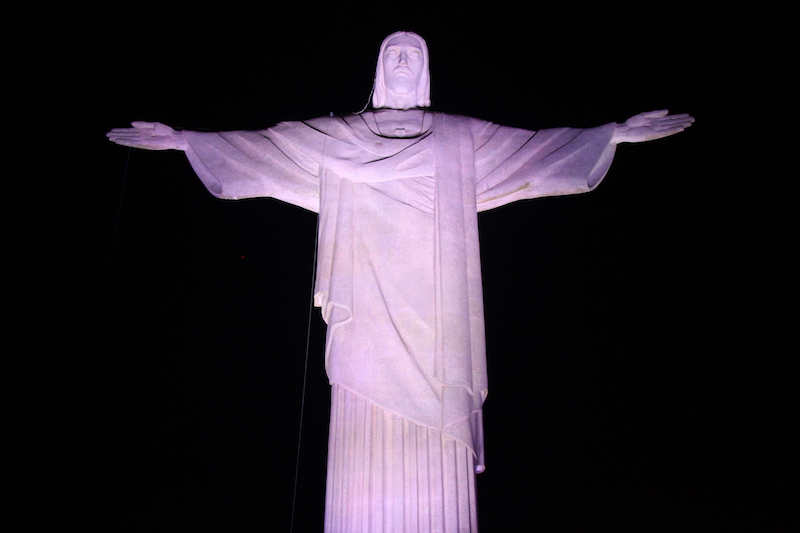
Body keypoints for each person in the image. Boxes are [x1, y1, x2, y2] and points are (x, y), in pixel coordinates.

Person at [108, 31, 693, 533]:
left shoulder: (460, 138)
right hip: (365, 310)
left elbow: (536, 152)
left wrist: (611, 133)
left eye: (415, 51)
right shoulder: (338, 138)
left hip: (439, 319)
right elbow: (265, 149)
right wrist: (187, 140)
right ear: (380, 70)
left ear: (428, 69)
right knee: (363, 433)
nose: (405, 60)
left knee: (438, 450)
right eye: (395, 52)